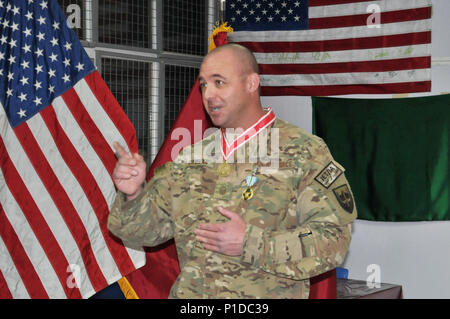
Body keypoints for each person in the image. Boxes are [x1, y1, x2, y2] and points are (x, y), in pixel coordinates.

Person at [108, 44, 357, 298]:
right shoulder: (190, 158)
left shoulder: (303, 152)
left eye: (219, 82)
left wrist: (251, 243)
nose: (208, 94)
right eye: (204, 84)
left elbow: (334, 240)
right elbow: (142, 232)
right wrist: (133, 195)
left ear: (251, 83)